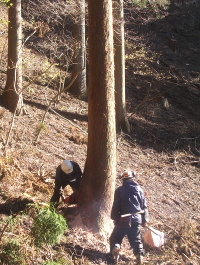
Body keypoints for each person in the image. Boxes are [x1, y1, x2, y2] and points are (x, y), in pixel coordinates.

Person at [109, 170, 148, 264]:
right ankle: (139, 256)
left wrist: (114, 218)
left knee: (116, 237)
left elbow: (116, 206)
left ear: (123, 180)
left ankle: (116, 248)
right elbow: (144, 206)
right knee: (136, 239)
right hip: (137, 218)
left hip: (124, 219)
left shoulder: (119, 190)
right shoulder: (140, 190)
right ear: (132, 179)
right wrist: (144, 220)